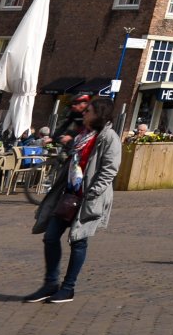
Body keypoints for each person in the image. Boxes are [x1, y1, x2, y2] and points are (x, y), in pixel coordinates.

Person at [24, 93, 119, 305]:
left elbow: (110, 169)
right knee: (50, 237)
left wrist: (92, 192)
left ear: (99, 114)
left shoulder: (109, 138)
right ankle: (50, 284)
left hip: (87, 197)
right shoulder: (82, 134)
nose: (84, 113)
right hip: (68, 194)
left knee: (78, 241)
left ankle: (68, 288)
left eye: (88, 111)